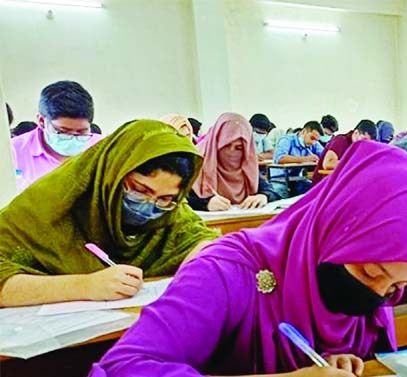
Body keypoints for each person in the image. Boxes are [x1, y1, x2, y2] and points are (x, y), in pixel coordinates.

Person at [57, 141, 407, 377]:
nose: (376, 296)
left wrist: (331, 365)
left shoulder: (372, 291)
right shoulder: (225, 272)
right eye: (371, 272)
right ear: (333, 227)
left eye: (395, 289)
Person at [0, 120, 217, 307]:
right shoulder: (46, 208)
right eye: (140, 190)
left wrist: (203, 263)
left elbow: (202, 242)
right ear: (112, 173)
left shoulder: (171, 213)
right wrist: (84, 286)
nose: (148, 206)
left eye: (165, 199)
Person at [10, 80, 103, 191]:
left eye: (81, 132)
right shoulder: (13, 153)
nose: (73, 138)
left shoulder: (103, 149)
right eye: (63, 131)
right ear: (41, 121)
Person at [188, 113, 281, 212]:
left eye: (239, 148)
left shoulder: (246, 166)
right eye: (226, 146)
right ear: (216, 143)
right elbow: (178, 198)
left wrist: (263, 196)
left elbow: (271, 191)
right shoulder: (195, 162)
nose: (232, 152)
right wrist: (205, 203)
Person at [273, 120, 325, 195]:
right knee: (280, 193)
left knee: (314, 190)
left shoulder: (313, 143)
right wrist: (306, 159)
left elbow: (324, 154)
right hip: (279, 179)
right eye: (312, 138)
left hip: (297, 179)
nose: (313, 142)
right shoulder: (286, 140)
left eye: (316, 140)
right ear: (303, 132)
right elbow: (280, 158)